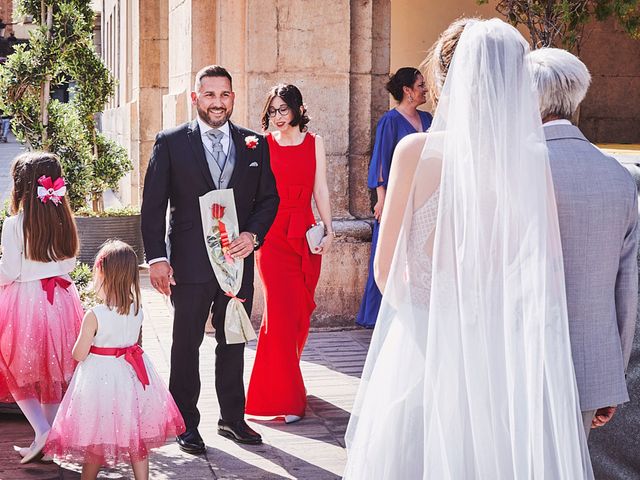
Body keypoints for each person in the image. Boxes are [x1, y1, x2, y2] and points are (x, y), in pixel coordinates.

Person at [344, 19, 594, 479]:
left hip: (421, 351)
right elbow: (540, 273)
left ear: (445, 76)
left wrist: (428, 323)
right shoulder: (532, 162)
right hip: (499, 357)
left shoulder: (416, 152)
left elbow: (385, 271)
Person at [141, 65, 279, 453]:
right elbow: (153, 206)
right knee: (185, 343)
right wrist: (156, 259)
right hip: (188, 263)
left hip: (236, 263)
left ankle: (233, 419)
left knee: (233, 340)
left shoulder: (255, 142)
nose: (218, 103)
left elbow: (269, 198)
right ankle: (185, 422)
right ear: (195, 98)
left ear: (233, 98)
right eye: (210, 95)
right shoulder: (170, 142)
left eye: (225, 95)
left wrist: (253, 235)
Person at [528, 47, 639, 438]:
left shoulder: (515, 170)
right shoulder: (619, 177)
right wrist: (612, 375)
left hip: (515, 365)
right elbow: (626, 291)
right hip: (590, 370)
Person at [44, 240, 185, 480]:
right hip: (131, 377)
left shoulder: (95, 314)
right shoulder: (137, 309)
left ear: (102, 274)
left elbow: (79, 354)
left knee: (96, 439)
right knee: (135, 437)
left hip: (100, 382)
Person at [245, 84, 333, 424]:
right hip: (273, 239)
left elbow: (320, 188)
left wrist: (330, 229)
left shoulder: (315, 143)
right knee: (279, 317)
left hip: (306, 236)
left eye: (283, 110)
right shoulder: (262, 145)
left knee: (299, 316)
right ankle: (280, 400)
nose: (277, 117)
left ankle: (287, 379)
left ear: (297, 109)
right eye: (272, 111)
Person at [0, 152, 84, 464]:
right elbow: (72, 262)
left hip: (25, 301)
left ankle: (42, 429)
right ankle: (46, 436)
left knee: (13, 369)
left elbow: (9, 271)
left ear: (20, 187)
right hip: (61, 300)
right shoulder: (64, 219)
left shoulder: (14, 224)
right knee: (53, 373)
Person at [355, 67, 432, 328]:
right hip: (398, 197)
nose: (425, 89)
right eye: (420, 85)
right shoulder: (390, 121)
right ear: (407, 91)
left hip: (425, 198)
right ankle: (377, 316)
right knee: (387, 253)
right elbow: (381, 161)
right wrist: (382, 199)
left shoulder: (429, 119)